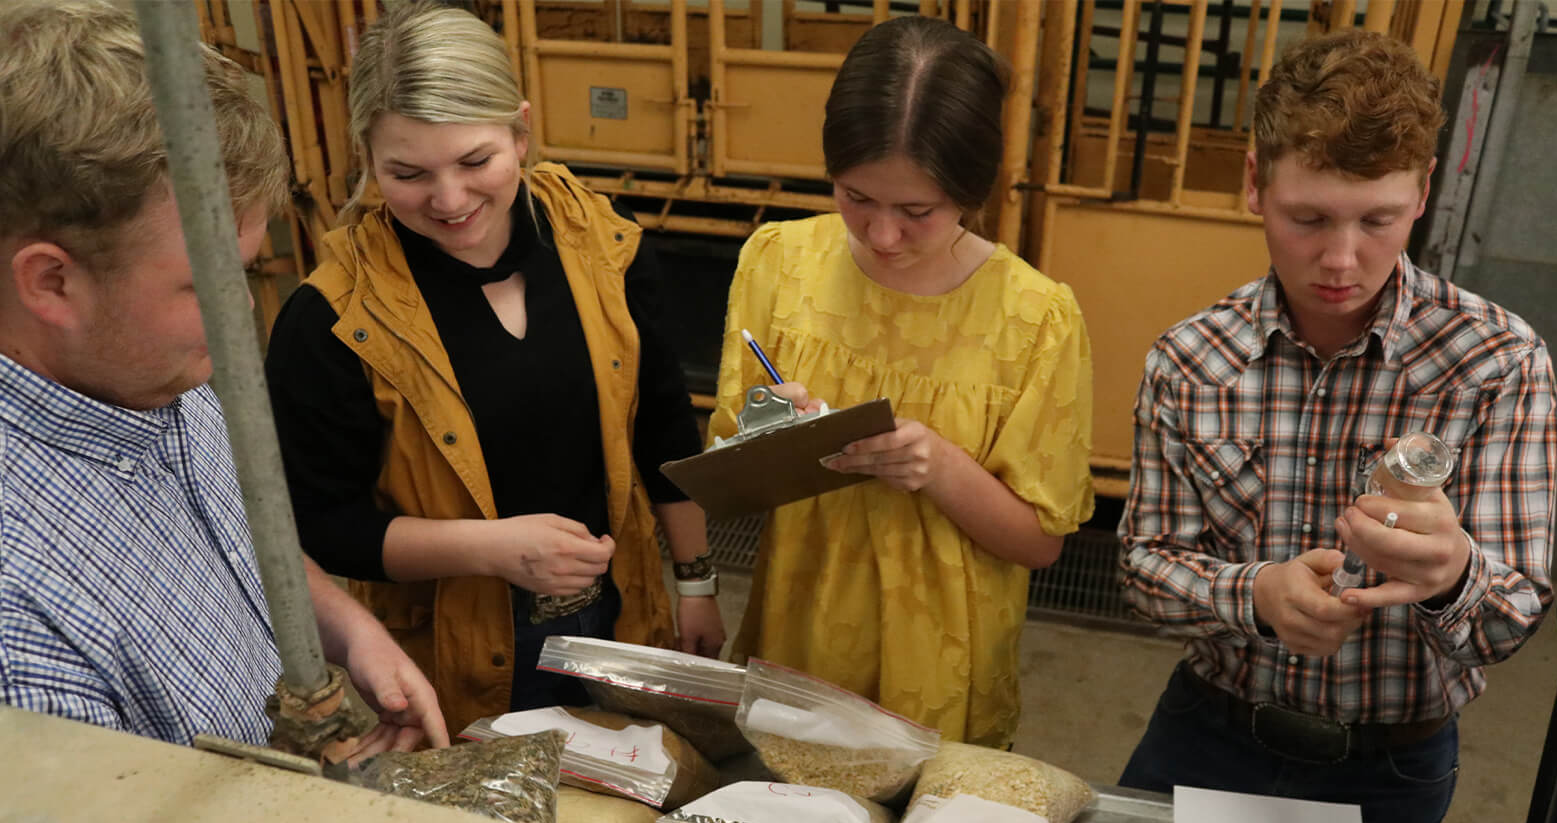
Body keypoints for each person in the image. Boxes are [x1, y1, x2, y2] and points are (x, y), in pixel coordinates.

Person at [1117, 29, 1557, 823]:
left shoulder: (1495, 362)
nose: (1342, 260)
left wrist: (1453, 573)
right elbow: (1144, 568)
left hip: (1393, 765)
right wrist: (1254, 594)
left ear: (1424, 191)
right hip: (1208, 732)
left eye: (1379, 221)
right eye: (1309, 217)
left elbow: (1510, 620)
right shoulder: (1191, 359)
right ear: (1255, 182)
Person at [0, 0, 447, 759]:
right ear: (52, 284)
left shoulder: (147, 375)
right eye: (203, 283)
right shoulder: (21, 635)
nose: (239, 309)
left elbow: (238, 545)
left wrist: (347, 626)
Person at [264, 2, 721, 736]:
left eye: (476, 161)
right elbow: (319, 529)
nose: (449, 201)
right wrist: (492, 550)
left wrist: (696, 584)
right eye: (405, 173)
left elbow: (665, 432)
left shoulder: (607, 250)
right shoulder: (331, 320)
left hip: (621, 613)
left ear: (522, 130)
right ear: (367, 159)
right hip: (453, 649)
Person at [709, 16, 1095, 748]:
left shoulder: (1035, 317)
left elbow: (1040, 544)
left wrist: (940, 466)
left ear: (971, 192)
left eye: (917, 212)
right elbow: (727, 474)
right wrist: (766, 429)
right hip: (800, 638)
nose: (882, 236)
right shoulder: (778, 263)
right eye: (856, 198)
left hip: (941, 669)